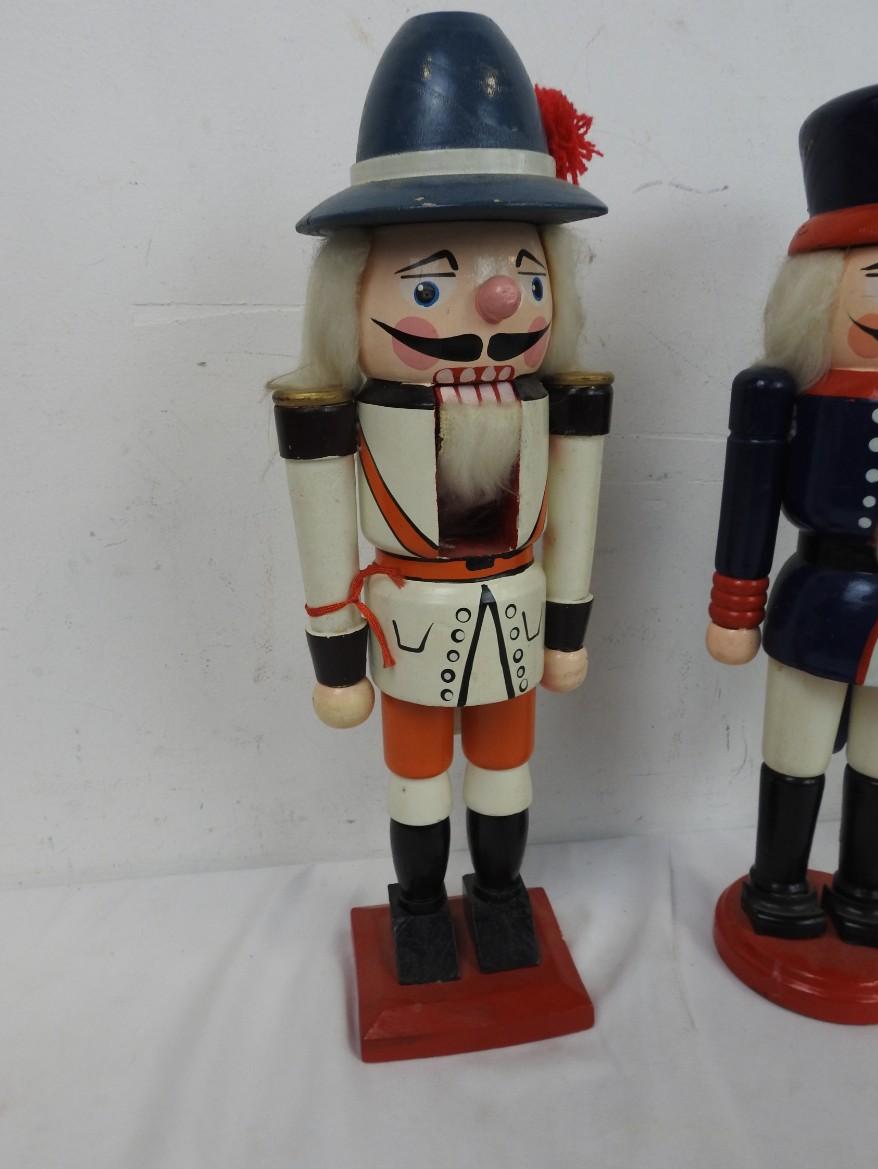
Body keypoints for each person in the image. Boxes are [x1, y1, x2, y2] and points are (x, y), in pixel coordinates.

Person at [271, 13, 612, 983]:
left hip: (516, 612)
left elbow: (575, 516)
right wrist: (337, 660)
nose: (497, 303)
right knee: (416, 780)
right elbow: (324, 537)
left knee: (506, 770)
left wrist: (568, 629)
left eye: (524, 276)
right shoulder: (335, 417)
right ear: (351, 292)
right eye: (429, 288)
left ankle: (499, 895)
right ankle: (419, 906)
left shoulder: (563, 404)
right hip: (408, 625)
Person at [708, 81, 878, 947]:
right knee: (797, 748)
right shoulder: (785, 395)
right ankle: (778, 879)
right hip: (821, 598)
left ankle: (866, 887)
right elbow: (748, 502)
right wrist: (735, 607)